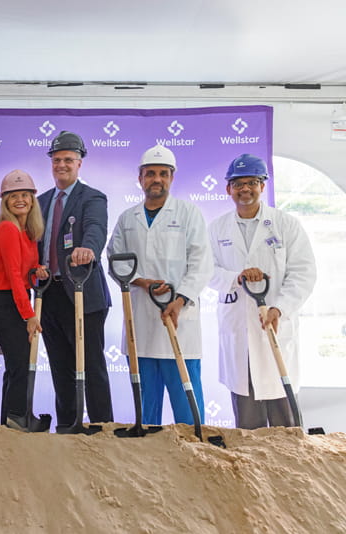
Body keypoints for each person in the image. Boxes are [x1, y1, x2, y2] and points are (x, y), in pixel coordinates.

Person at [107, 145, 213, 426]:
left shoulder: (189, 214)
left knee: (188, 413)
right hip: (141, 323)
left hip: (180, 325)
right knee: (147, 412)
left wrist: (179, 300)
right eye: (150, 173)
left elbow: (202, 263)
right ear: (140, 179)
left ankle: (194, 455)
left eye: (163, 174)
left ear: (172, 178)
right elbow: (114, 259)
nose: (157, 179)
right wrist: (140, 281)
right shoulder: (127, 219)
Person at [208, 154, 316, 429]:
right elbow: (206, 270)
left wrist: (280, 307)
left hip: (275, 327)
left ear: (263, 186)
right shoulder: (217, 228)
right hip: (239, 329)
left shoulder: (287, 225)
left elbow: (303, 273)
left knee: (285, 422)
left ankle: (289, 469)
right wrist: (237, 278)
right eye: (238, 183)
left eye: (252, 182)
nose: (245, 189)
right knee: (248, 425)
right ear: (228, 189)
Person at [38, 130, 113, 427]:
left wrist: (88, 249)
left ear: (79, 163)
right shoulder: (41, 201)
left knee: (91, 363)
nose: (62, 165)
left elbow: (96, 228)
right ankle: (68, 426)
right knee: (60, 365)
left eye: (68, 159)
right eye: (57, 160)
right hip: (49, 293)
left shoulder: (92, 197)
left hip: (83, 291)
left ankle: (101, 426)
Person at [0, 169, 48, 428]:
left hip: (16, 298)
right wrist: (29, 315)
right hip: (4, 300)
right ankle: (17, 419)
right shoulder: (8, 229)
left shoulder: (27, 232)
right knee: (21, 360)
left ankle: (12, 418)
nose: (20, 200)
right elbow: (11, 276)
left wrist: (36, 271)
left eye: (25, 195)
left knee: (17, 362)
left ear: (32, 199)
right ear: (5, 201)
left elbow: (23, 272)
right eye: (13, 196)